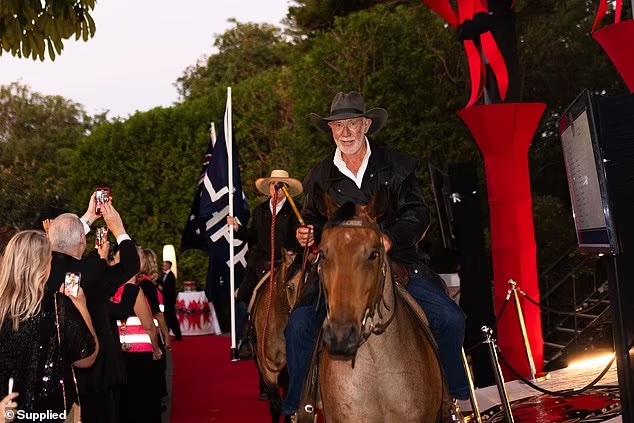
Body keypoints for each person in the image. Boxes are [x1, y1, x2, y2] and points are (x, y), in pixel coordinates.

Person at [282, 91, 469, 418]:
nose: (345, 132)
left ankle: (455, 397)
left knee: (451, 318)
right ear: (330, 130)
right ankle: (300, 406)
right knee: (298, 326)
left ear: (366, 125)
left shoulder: (397, 166)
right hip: (339, 267)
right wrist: (305, 233)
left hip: (396, 262)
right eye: (338, 125)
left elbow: (417, 213)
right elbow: (312, 217)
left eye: (352, 123)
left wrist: (389, 238)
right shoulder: (320, 175)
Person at [46, 195, 140, 423]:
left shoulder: (41, 270)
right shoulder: (93, 270)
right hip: (96, 374)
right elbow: (131, 266)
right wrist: (119, 229)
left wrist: (87, 218)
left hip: (55, 374)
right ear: (82, 240)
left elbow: (61, 239)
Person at [0, 230, 98, 421]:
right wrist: (82, 308)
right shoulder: (57, 305)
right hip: (49, 411)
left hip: (8, 411)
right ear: (43, 265)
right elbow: (87, 357)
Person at [227, 169, 303, 360]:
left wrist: (294, 252)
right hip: (260, 263)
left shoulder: (296, 210)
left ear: (286, 189)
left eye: (280, 185)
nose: (275, 189)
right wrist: (238, 229)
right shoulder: (260, 210)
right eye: (272, 185)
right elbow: (255, 236)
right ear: (269, 188)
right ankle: (245, 338)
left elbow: (300, 236)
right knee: (243, 296)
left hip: (287, 263)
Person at [160, 260, 182, 341]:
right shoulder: (163, 275)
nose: (163, 267)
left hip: (169, 300)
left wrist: (162, 288)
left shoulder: (171, 276)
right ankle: (167, 333)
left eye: (164, 265)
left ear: (168, 266)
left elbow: (170, 289)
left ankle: (177, 335)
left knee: (171, 317)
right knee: (167, 317)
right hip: (165, 300)